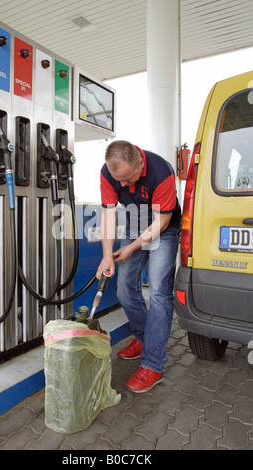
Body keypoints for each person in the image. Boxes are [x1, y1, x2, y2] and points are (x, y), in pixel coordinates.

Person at [96, 140, 181, 393]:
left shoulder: (160, 172)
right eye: (118, 180)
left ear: (140, 164)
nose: (122, 186)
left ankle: (154, 363)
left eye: (127, 179)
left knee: (158, 293)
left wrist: (132, 248)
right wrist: (106, 256)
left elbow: (162, 224)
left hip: (163, 229)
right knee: (123, 289)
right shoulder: (108, 173)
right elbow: (109, 214)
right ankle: (146, 339)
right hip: (134, 228)